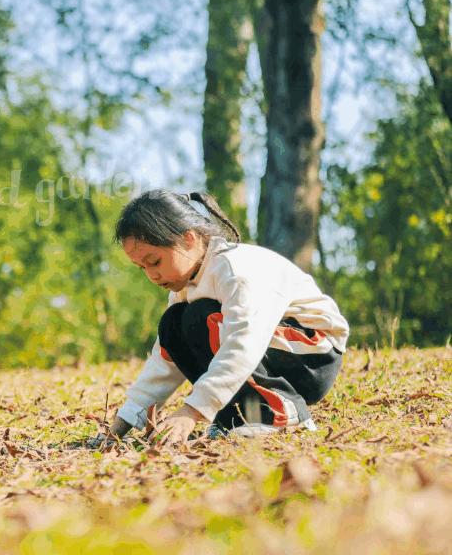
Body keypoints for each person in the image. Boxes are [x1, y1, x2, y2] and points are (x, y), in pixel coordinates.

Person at [102, 190, 349, 443]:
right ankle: (236, 416)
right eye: (142, 268)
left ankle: (277, 412)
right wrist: (127, 419)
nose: (151, 275)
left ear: (188, 239)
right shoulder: (186, 285)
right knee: (173, 324)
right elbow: (166, 360)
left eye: (155, 262)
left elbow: (244, 344)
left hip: (312, 357)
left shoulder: (235, 271)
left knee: (201, 318)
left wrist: (192, 411)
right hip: (270, 352)